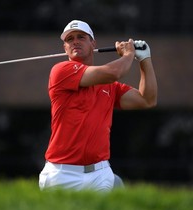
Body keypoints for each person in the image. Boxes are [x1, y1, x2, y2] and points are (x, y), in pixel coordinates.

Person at [39, 20, 157, 192]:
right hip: (62, 174)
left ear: (93, 43)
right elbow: (113, 72)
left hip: (100, 174)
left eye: (81, 37)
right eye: (70, 39)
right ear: (65, 48)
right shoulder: (61, 71)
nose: (75, 41)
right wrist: (128, 54)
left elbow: (147, 99)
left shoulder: (110, 86)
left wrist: (145, 59)